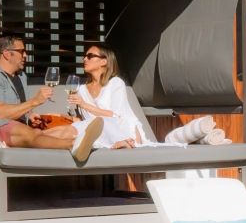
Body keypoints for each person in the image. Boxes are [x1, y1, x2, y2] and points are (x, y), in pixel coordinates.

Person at [69, 43, 230, 151]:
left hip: (122, 130)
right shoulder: (81, 89)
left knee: (105, 123)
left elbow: (117, 116)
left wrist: (85, 105)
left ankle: (194, 134)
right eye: (85, 56)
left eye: (90, 56)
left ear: (104, 61)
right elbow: (80, 120)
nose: (84, 59)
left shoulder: (115, 83)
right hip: (97, 134)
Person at [0, 35, 101, 160]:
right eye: (21, 51)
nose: (25, 55)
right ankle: (73, 145)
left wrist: (29, 117)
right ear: (7, 54)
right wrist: (35, 101)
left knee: (63, 131)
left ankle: (90, 143)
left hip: (18, 130)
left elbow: (19, 110)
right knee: (35, 135)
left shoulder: (21, 77)